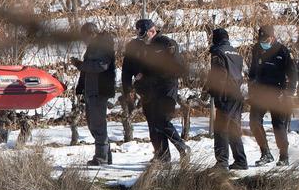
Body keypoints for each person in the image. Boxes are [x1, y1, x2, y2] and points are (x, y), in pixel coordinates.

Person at [122, 18, 190, 167]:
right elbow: (133, 68)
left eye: (145, 36)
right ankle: (162, 155)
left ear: (152, 31)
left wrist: (146, 74)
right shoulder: (139, 46)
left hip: (166, 87)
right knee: (153, 123)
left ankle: (182, 147)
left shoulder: (166, 44)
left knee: (162, 120)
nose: (143, 40)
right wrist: (134, 84)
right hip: (148, 89)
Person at [249, 24, 296, 166]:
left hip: (278, 93)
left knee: (278, 126)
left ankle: (284, 156)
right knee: (254, 122)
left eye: (265, 39)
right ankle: (265, 153)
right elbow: (253, 70)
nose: (263, 42)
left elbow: (293, 75)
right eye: (261, 39)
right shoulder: (257, 49)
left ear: (272, 37)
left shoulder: (283, 51)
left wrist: (289, 93)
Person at [72, 21, 115, 166]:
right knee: (93, 124)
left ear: (91, 34)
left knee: (98, 125)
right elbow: (86, 71)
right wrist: (80, 87)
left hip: (99, 91)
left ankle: (101, 158)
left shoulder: (103, 46)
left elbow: (101, 66)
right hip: (91, 91)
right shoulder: (92, 47)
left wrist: (80, 64)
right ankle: (105, 156)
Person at [206, 28, 247, 171]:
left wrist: (214, 91)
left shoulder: (218, 52)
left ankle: (222, 163)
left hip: (225, 94)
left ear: (215, 39)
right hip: (237, 94)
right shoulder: (236, 52)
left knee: (221, 130)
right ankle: (241, 161)